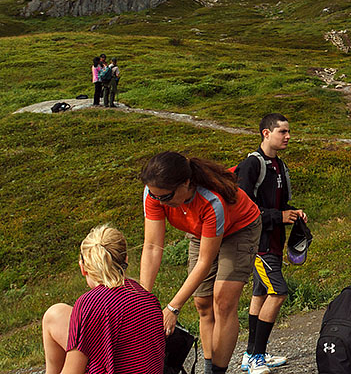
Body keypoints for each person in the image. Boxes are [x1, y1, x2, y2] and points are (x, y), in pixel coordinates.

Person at [140, 151, 262, 374]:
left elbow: (204, 262)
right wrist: (141, 300)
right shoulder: (155, 192)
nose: (160, 201)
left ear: (186, 184)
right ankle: (207, 366)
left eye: (166, 197)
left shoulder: (211, 200)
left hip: (239, 229)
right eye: (155, 196)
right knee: (203, 303)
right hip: (200, 231)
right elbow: (152, 247)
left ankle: (216, 372)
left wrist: (172, 308)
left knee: (223, 301)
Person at [42, 224, 165, 374]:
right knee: (56, 314)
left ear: (83, 267)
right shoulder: (148, 298)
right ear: (126, 259)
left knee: (54, 315)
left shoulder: (90, 303)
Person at [237, 113, 306, 374]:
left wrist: (293, 212)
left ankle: (251, 354)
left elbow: (279, 204)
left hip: (274, 241)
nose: (288, 137)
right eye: (282, 132)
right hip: (258, 243)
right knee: (278, 292)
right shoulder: (251, 165)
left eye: (288, 132)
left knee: (260, 292)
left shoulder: (279, 166)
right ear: (266, 133)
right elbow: (244, 208)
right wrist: (279, 216)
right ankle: (256, 357)